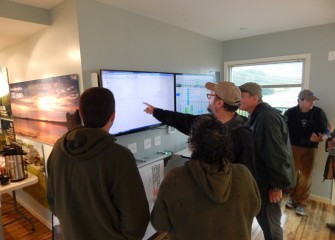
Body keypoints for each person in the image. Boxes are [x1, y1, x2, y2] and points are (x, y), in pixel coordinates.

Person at [47, 87, 150, 240]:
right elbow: (136, 218)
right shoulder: (120, 157)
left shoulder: (58, 148)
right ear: (112, 116)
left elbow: (52, 200)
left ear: (81, 114)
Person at [151, 114, 261, 239]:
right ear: (227, 144)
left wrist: (161, 199)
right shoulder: (243, 173)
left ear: (192, 146)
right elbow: (255, 209)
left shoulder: (175, 178)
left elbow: (160, 224)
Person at [143, 81, 257, 178]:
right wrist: (155, 111)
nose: (208, 98)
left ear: (219, 103)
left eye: (211, 95)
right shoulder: (205, 122)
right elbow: (182, 120)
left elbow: (246, 175)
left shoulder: (241, 134)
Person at [239, 82, 295, 240]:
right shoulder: (258, 115)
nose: (238, 99)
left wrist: (277, 186)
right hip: (261, 182)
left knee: (271, 227)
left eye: (242, 96)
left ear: (254, 98)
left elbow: (276, 154)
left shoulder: (266, 118)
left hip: (267, 185)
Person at [284, 89, 329, 216]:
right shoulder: (290, 113)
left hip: (311, 149)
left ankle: (301, 203)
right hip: (292, 148)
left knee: (306, 176)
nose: (311, 103)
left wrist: (321, 138)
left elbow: (327, 132)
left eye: (313, 100)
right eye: (309, 100)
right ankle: (292, 198)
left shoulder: (319, 113)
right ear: (299, 100)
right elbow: (283, 131)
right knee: (292, 174)